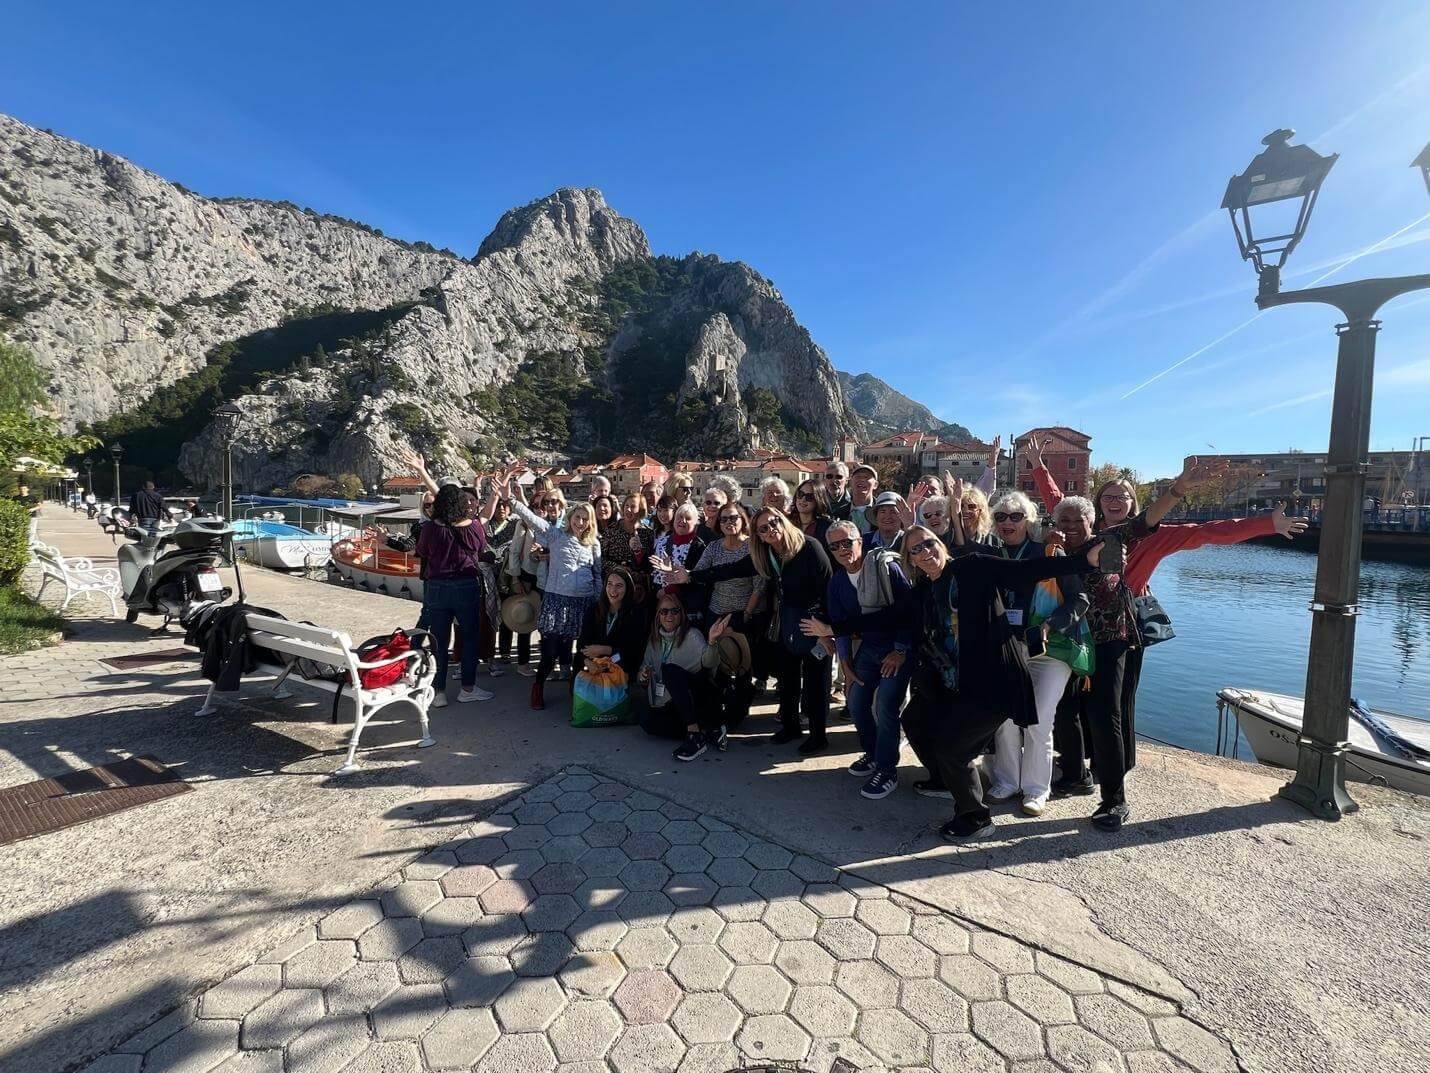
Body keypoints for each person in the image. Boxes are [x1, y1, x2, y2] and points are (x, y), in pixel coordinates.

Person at [804, 515, 1116, 840]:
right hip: (956, 683)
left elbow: (1027, 570)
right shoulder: (925, 589)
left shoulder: (972, 568)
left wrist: (1084, 560)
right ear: (909, 560)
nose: (925, 551)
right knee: (914, 719)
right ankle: (944, 780)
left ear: (941, 544)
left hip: (993, 682)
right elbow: (888, 616)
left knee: (953, 748)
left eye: (929, 543)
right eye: (915, 550)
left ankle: (976, 817)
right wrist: (833, 629)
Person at [661, 506, 833, 753]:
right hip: (786, 620)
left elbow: (827, 587)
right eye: (763, 528)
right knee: (788, 677)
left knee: (816, 680)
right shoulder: (766, 554)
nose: (771, 529)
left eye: (774, 522)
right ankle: (790, 726)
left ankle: (818, 735)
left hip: (814, 621)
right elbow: (730, 570)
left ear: (783, 520)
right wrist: (689, 576)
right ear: (759, 536)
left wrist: (826, 629)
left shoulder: (810, 547)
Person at [983, 490, 1090, 815]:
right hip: (1007, 650)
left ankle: (1035, 788)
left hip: (1050, 651)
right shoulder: (992, 555)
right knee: (1004, 719)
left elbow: (1079, 599)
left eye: (1015, 516)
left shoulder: (1049, 553)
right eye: (1001, 517)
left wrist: (1051, 625)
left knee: (1039, 720)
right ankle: (1006, 780)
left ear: (1028, 520)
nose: (1007, 522)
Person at [820, 521, 915, 800]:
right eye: (834, 546)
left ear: (860, 541)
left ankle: (887, 770)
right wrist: (846, 665)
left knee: (886, 706)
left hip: (896, 650)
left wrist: (900, 650)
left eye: (847, 542)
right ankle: (873, 754)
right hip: (869, 649)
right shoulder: (837, 581)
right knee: (857, 701)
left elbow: (908, 612)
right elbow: (841, 626)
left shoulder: (885, 567)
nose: (842, 549)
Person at [504, 479, 602, 710]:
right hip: (557, 601)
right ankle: (538, 687)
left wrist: (597, 599)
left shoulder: (594, 544)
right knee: (550, 651)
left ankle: (574, 691)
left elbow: (597, 574)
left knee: (580, 651)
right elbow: (533, 520)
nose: (580, 522)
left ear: (590, 522)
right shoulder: (556, 536)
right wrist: (512, 501)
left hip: (583, 603)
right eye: (576, 517)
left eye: (585, 518)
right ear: (569, 519)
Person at [415, 485, 496, 708]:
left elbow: (422, 551)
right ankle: (467, 689)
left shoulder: (430, 528)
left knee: (439, 641)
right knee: (470, 638)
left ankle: (439, 691)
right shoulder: (475, 527)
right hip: (466, 585)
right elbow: (480, 549)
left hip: (437, 587)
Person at [697, 502, 765, 728]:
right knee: (719, 666)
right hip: (716, 612)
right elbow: (700, 573)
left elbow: (759, 585)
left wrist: (745, 614)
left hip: (743, 614)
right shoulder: (714, 548)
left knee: (742, 667)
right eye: (724, 519)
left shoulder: (752, 547)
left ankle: (738, 712)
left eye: (733, 518)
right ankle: (718, 710)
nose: (729, 522)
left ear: (743, 520)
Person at [638, 594, 725, 760]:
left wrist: (712, 642)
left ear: (681, 614)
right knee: (645, 720)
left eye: (674, 611)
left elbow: (710, 664)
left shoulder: (692, 635)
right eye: (664, 611)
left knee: (669, 670)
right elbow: (643, 672)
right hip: (672, 703)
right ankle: (706, 730)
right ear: (658, 616)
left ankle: (694, 735)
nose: (669, 616)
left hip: (696, 695)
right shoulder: (654, 641)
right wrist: (643, 676)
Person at [506, 488, 566, 677]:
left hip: (561, 583)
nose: (548, 506)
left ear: (561, 503)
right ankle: (533, 663)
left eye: (553, 502)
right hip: (535, 580)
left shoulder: (568, 524)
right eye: (543, 504)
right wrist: (517, 574)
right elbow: (518, 553)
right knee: (535, 620)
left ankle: (561, 664)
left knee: (561, 627)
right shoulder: (527, 525)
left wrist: (548, 554)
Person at [578, 566, 648, 674]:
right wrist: (587, 662)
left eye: (619, 586)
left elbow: (634, 652)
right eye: (609, 584)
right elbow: (582, 644)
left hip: (621, 672)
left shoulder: (636, 614)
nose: (613, 590)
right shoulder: (594, 609)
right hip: (592, 669)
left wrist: (606, 650)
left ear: (627, 588)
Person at [652, 502, 706, 597]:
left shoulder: (698, 546)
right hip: (661, 598)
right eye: (679, 517)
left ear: (695, 523)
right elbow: (654, 571)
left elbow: (697, 577)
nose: (683, 521)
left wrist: (670, 589)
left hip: (684, 598)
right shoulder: (662, 542)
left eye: (688, 518)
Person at [792, 479, 833, 547]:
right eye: (800, 494)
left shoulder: (828, 527)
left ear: (818, 500)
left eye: (809, 497)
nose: (803, 499)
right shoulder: (786, 521)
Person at [848, 464, 879, 533]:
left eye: (867, 477)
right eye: (858, 477)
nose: (862, 480)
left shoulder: (881, 511)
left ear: (875, 485)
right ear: (850, 482)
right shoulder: (839, 511)